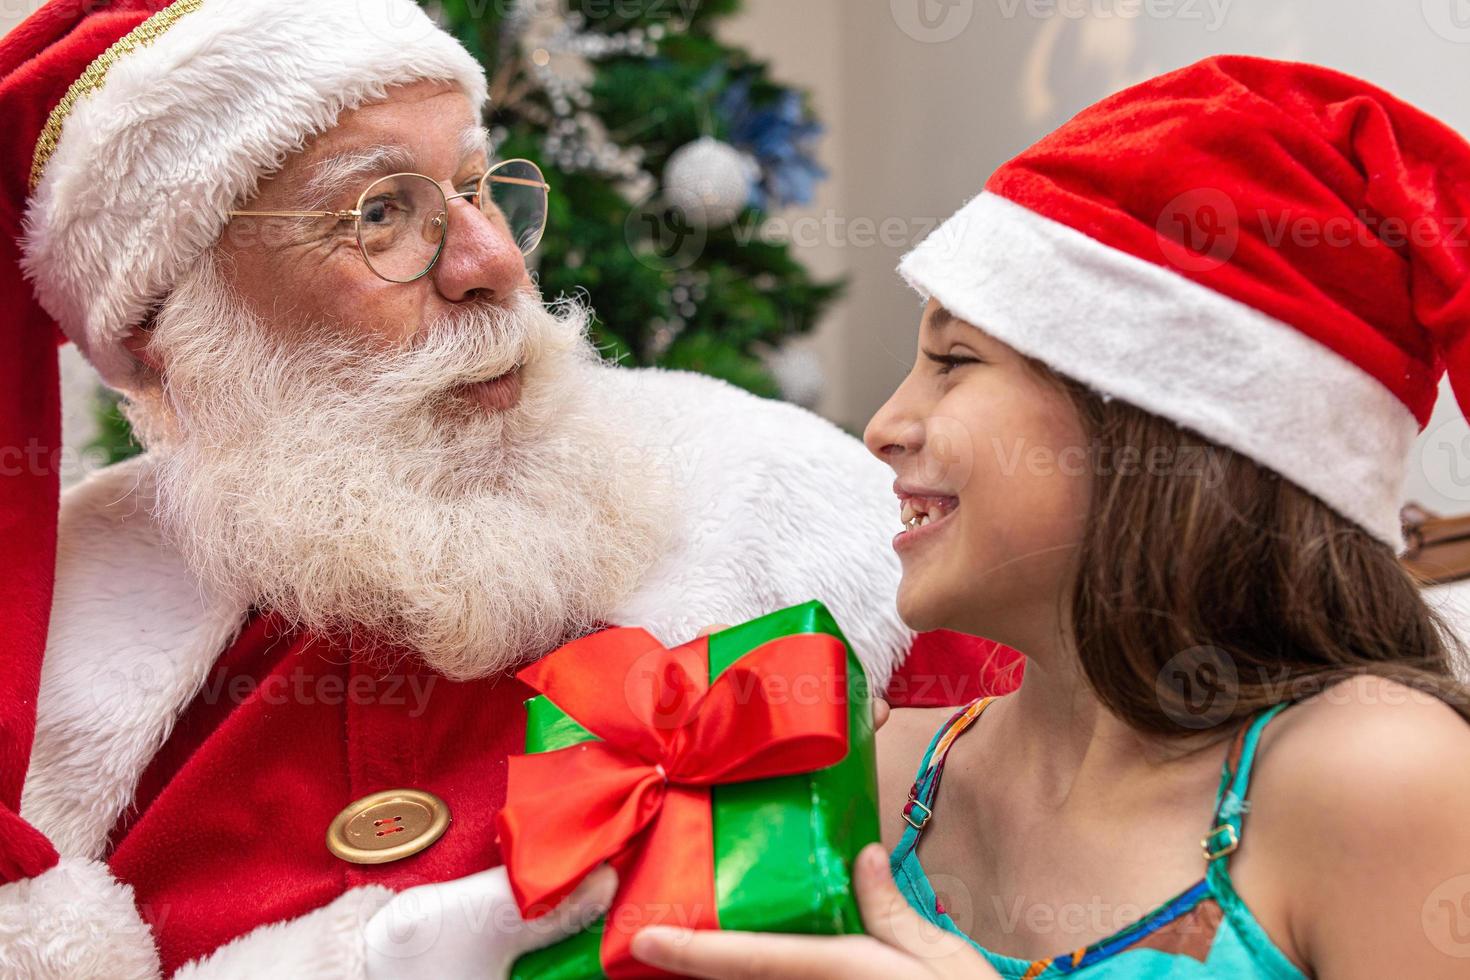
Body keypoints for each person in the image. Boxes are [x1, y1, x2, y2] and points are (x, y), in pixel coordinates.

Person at [0, 1, 1017, 975]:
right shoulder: (52, 657)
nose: (491, 261)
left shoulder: (800, 517)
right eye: (381, 212)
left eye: (477, 186)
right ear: (160, 334)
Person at [629, 55, 1470, 978]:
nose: (883, 427)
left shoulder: (1380, 775)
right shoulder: (883, 770)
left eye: (955, 359)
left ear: (1156, 425)